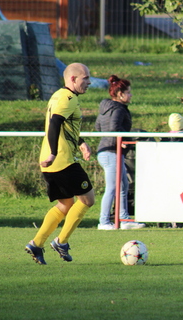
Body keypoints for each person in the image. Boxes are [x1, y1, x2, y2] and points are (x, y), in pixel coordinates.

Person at [25, 63, 95, 265]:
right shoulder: (69, 98)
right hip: (62, 161)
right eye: (85, 78)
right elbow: (54, 123)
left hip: (49, 161)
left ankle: (36, 244)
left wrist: (81, 143)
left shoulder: (57, 95)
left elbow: (63, 126)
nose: (89, 82)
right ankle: (61, 242)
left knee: (65, 205)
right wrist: (55, 153)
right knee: (87, 199)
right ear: (73, 79)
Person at [95, 75, 145, 230]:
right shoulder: (118, 109)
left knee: (122, 186)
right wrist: (121, 141)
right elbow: (114, 129)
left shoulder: (106, 108)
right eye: (128, 92)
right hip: (111, 152)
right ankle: (103, 222)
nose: (130, 95)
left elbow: (98, 127)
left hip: (107, 150)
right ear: (119, 94)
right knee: (112, 188)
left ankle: (124, 220)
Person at [160, 113, 183, 228]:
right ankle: (177, 221)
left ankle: (167, 220)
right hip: (180, 171)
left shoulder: (164, 138)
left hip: (167, 172)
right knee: (179, 195)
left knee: (168, 195)